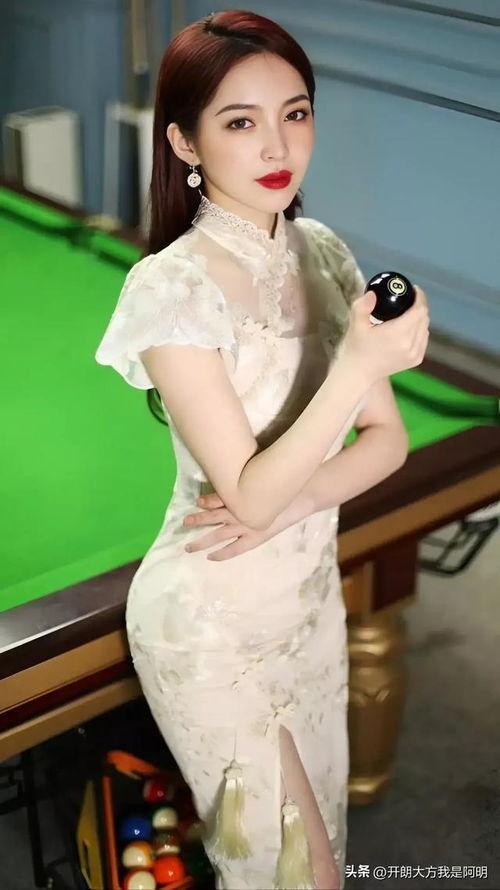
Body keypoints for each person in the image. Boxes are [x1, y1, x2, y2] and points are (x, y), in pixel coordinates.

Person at [95, 9, 429, 890]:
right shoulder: (169, 288)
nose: (278, 144)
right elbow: (245, 494)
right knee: (289, 874)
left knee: (327, 855)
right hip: (208, 623)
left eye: (296, 112)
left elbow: (388, 443)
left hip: (309, 608)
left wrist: (292, 503)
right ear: (185, 142)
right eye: (240, 121)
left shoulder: (323, 253)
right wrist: (357, 364)